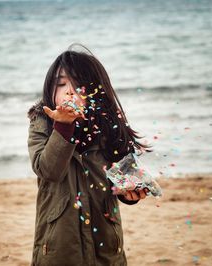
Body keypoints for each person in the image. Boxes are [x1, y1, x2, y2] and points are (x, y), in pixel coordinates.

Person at [27, 43, 152, 266]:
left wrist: (129, 192)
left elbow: (124, 172)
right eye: (61, 84)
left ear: (96, 90)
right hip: (59, 246)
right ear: (49, 90)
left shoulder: (109, 125)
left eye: (78, 85)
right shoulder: (42, 123)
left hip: (105, 243)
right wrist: (63, 126)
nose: (69, 91)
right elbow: (48, 170)